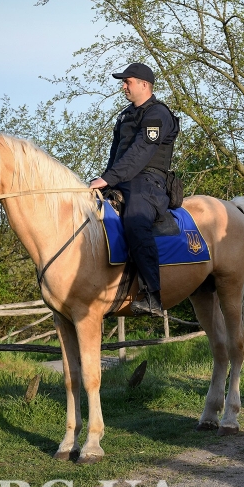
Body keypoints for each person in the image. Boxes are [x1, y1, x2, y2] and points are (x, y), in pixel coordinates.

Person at [89, 63, 179, 316]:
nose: (123, 87)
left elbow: (141, 152)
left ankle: (152, 296)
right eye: (124, 82)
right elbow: (115, 155)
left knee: (135, 221)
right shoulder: (124, 116)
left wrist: (109, 178)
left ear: (144, 85)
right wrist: (103, 180)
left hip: (148, 182)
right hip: (121, 179)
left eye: (127, 82)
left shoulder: (158, 114)